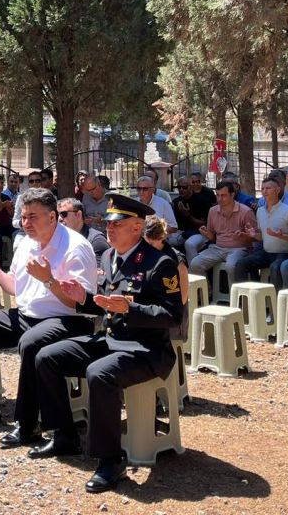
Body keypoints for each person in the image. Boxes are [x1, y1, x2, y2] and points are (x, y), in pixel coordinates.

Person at [32, 193, 183, 493]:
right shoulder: (109, 257)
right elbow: (105, 305)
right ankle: (64, 434)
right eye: (108, 224)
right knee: (46, 357)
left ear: (137, 228)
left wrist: (130, 309)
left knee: (99, 374)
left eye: (118, 224)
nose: (110, 229)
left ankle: (111, 461)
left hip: (146, 349)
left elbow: (173, 315)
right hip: (112, 339)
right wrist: (83, 299)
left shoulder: (161, 262)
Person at [0, 189, 97, 441]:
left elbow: (83, 305)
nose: (25, 223)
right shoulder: (26, 244)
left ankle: (27, 423)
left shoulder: (76, 247)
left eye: (32, 217)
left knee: (30, 343)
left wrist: (50, 281)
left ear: (53, 217)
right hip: (28, 315)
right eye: (23, 218)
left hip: (67, 319)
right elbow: (16, 288)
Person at [233, 177, 288, 285]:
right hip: (267, 253)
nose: (264, 191)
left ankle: (276, 301)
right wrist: (253, 235)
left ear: (278, 190)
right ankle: (251, 297)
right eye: (262, 188)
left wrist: (283, 236)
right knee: (241, 264)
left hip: (287, 253)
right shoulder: (260, 211)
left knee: (274, 267)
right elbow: (263, 236)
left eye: (268, 188)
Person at [188, 181, 258, 277]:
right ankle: (206, 290)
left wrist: (245, 236)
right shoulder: (212, 211)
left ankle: (236, 291)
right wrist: (207, 234)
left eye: (224, 195)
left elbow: (256, 237)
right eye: (218, 195)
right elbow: (213, 238)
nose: (220, 199)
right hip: (218, 248)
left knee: (231, 266)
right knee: (195, 264)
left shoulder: (246, 211)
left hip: (239, 249)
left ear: (232, 195)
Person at [57, 198, 108, 266]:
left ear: (78, 215)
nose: (59, 219)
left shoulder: (96, 241)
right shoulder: (59, 239)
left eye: (63, 214)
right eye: (57, 215)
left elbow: (100, 274)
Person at [168, 177, 207, 261]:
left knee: (190, 244)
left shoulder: (201, 200)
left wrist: (188, 215)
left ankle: (193, 271)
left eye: (184, 187)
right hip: (180, 232)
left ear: (191, 187)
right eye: (179, 187)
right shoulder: (176, 202)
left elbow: (203, 224)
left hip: (199, 232)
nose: (181, 190)